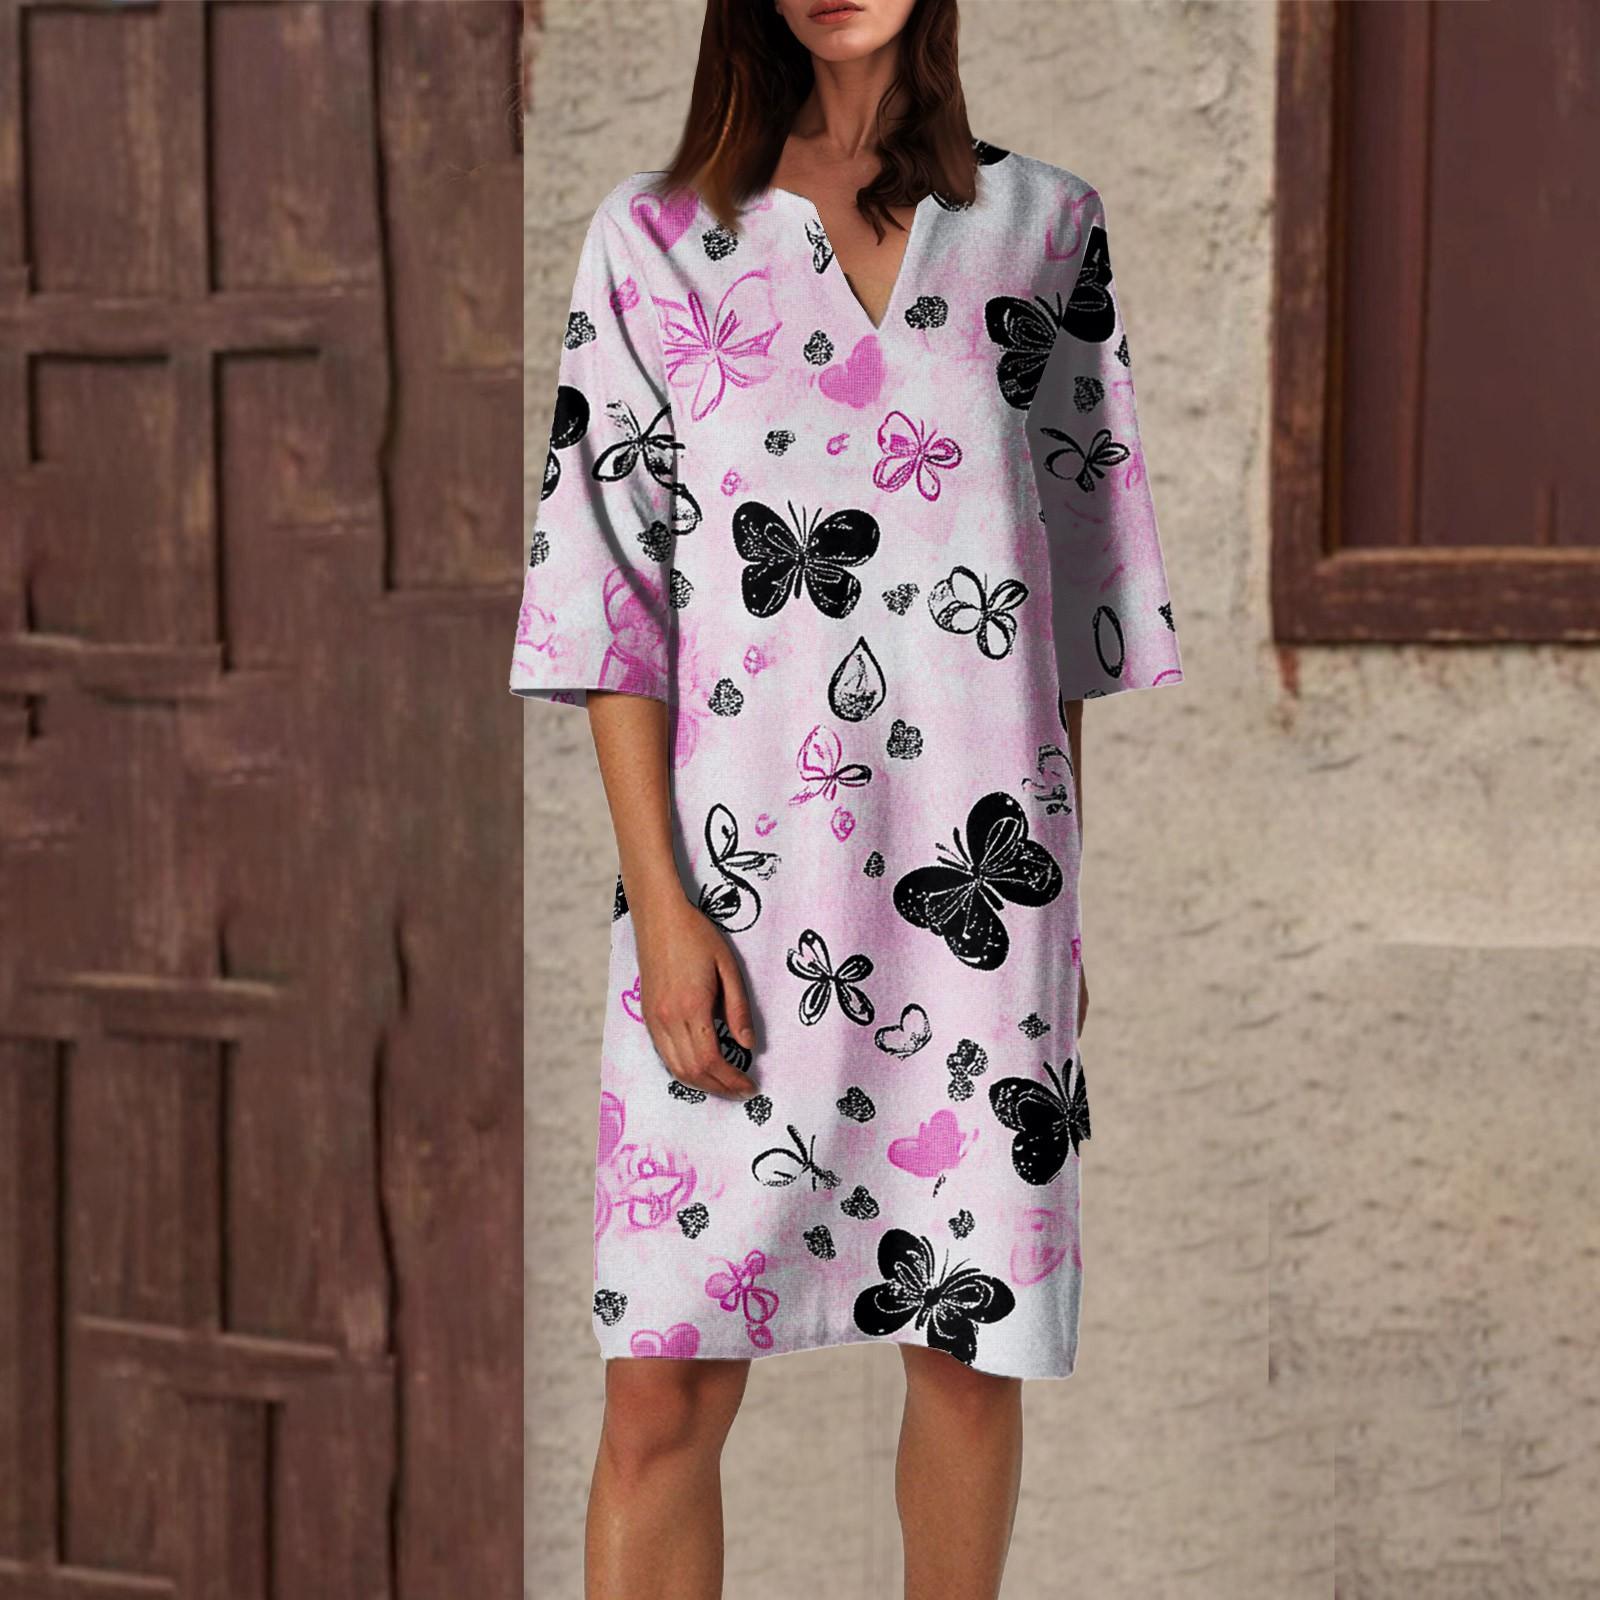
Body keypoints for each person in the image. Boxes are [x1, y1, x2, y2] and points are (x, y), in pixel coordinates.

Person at [511, 1, 1184, 1593]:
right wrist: (662, 914)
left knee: (966, 1350)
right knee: (661, 1392)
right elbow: (610, 607)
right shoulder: (653, 241)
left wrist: (1049, 904)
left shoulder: (1046, 229)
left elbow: (1069, 608)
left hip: (974, 906)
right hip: (731, 903)